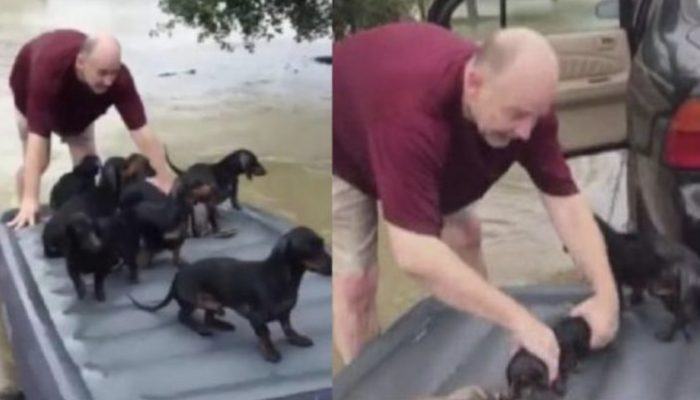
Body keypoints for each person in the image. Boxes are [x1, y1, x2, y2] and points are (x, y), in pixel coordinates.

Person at [332, 22, 619, 383]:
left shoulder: (524, 105)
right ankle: (366, 385)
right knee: (355, 285)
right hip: (348, 136)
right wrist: (521, 319)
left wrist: (607, 296)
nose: (526, 133)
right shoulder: (410, 116)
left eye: (536, 115)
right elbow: (414, 254)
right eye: (517, 115)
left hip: (427, 140)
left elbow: (565, 201)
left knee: (465, 233)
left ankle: (482, 334)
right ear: (474, 84)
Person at [7, 29, 176, 229]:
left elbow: (141, 130)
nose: (109, 81)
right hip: (31, 98)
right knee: (38, 163)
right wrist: (30, 199)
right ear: (81, 63)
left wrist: (165, 178)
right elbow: (38, 137)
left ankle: (83, 219)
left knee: (87, 168)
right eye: (103, 73)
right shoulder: (47, 71)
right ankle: (24, 211)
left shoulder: (119, 80)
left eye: (114, 72)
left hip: (81, 110)